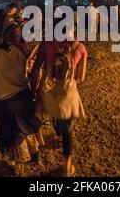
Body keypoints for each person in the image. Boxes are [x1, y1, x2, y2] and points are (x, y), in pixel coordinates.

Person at [0, 24, 41, 175]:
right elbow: (30, 76)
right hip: (23, 99)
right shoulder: (22, 51)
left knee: (8, 137)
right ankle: (35, 154)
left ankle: (13, 164)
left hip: (4, 104)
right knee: (27, 130)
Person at [30, 33, 88, 177]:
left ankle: (57, 132)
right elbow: (81, 78)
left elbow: (36, 68)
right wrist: (67, 80)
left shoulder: (47, 42)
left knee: (54, 113)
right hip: (67, 96)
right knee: (67, 127)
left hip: (48, 91)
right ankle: (67, 165)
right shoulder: (80, 48)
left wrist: (34, 88)